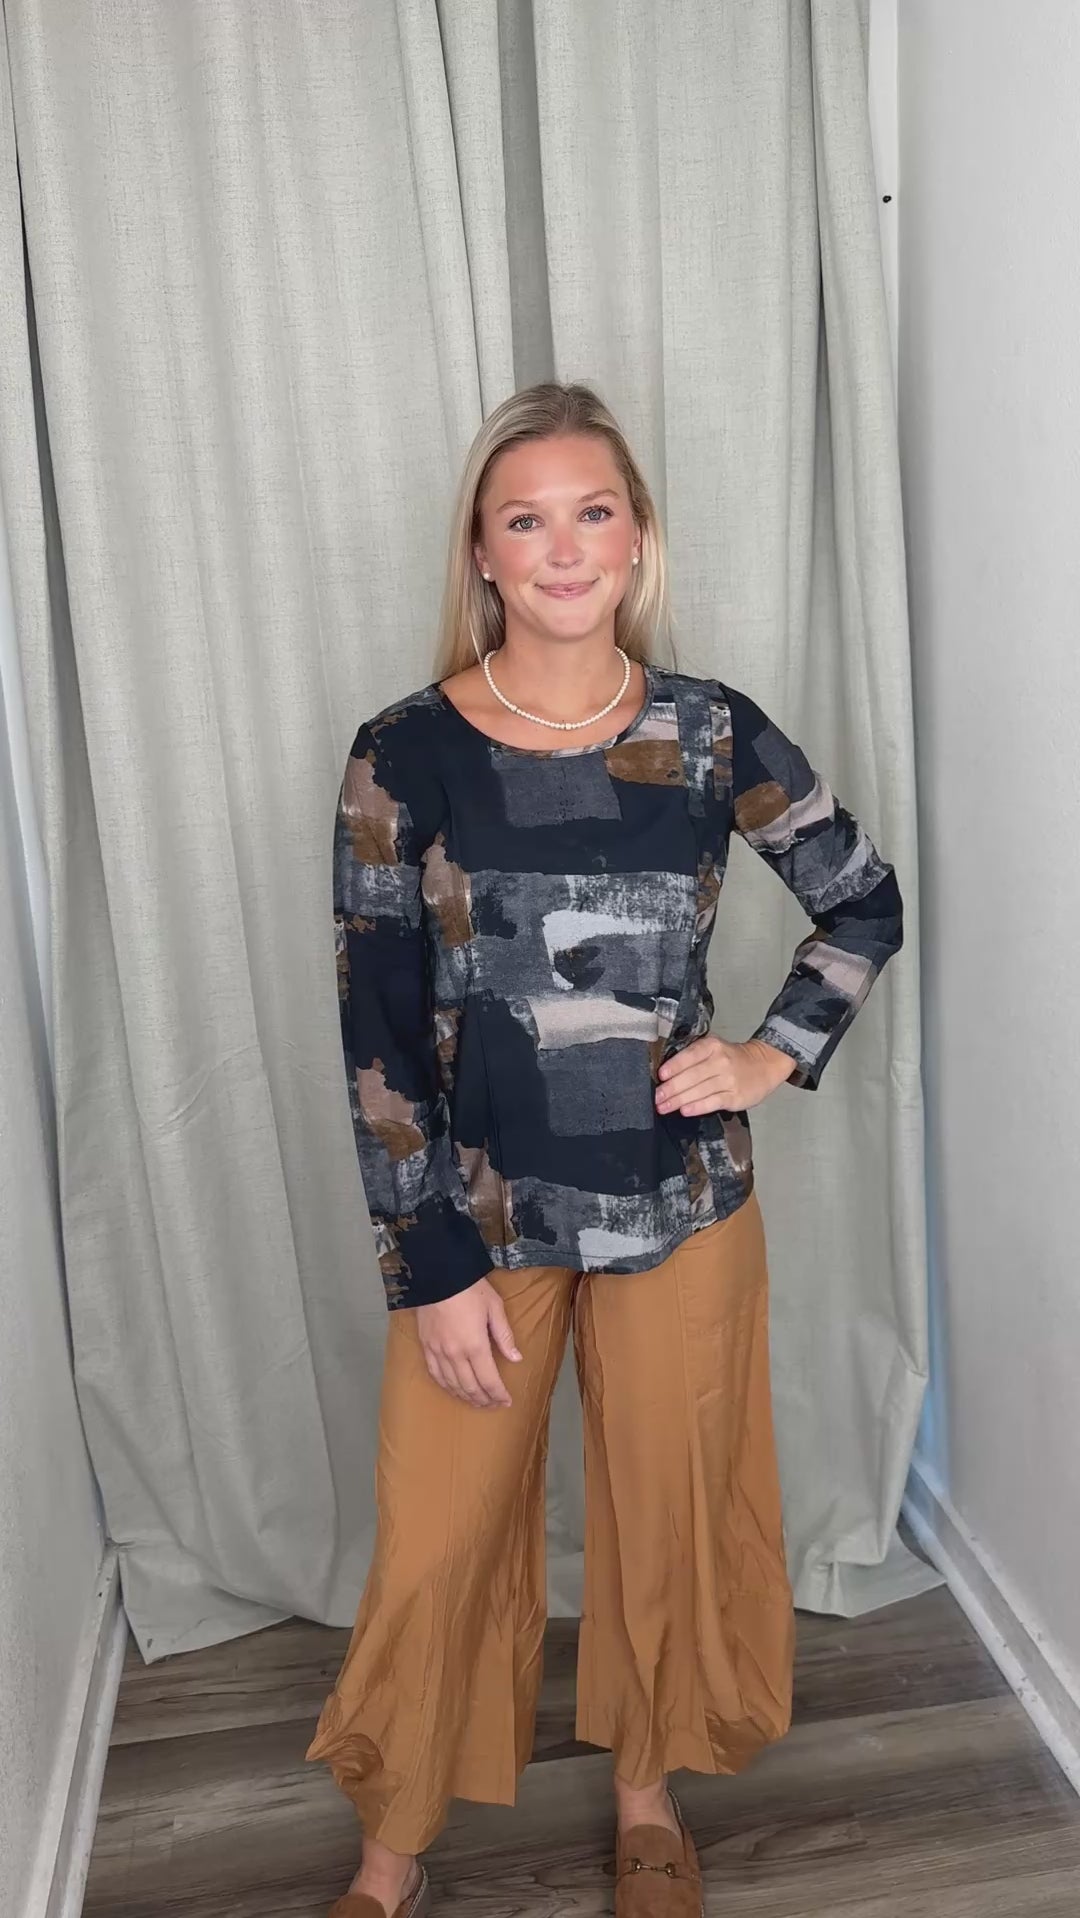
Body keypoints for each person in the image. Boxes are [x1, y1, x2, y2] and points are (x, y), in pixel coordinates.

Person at [305, 380, 903, 1918]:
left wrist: (773, 1050)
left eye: (594, 512)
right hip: (481, 1217)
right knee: (437, 1536)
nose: (564, 546)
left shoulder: (710, 731)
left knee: (667, 1509)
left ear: (636, 538)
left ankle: (648, 1795)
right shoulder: (404, 752)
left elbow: (862, 898)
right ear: (483, 552)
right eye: (527, 519)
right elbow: (378, 1028)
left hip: (679, 1200)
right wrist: (430, 1260)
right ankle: (391, 1850)